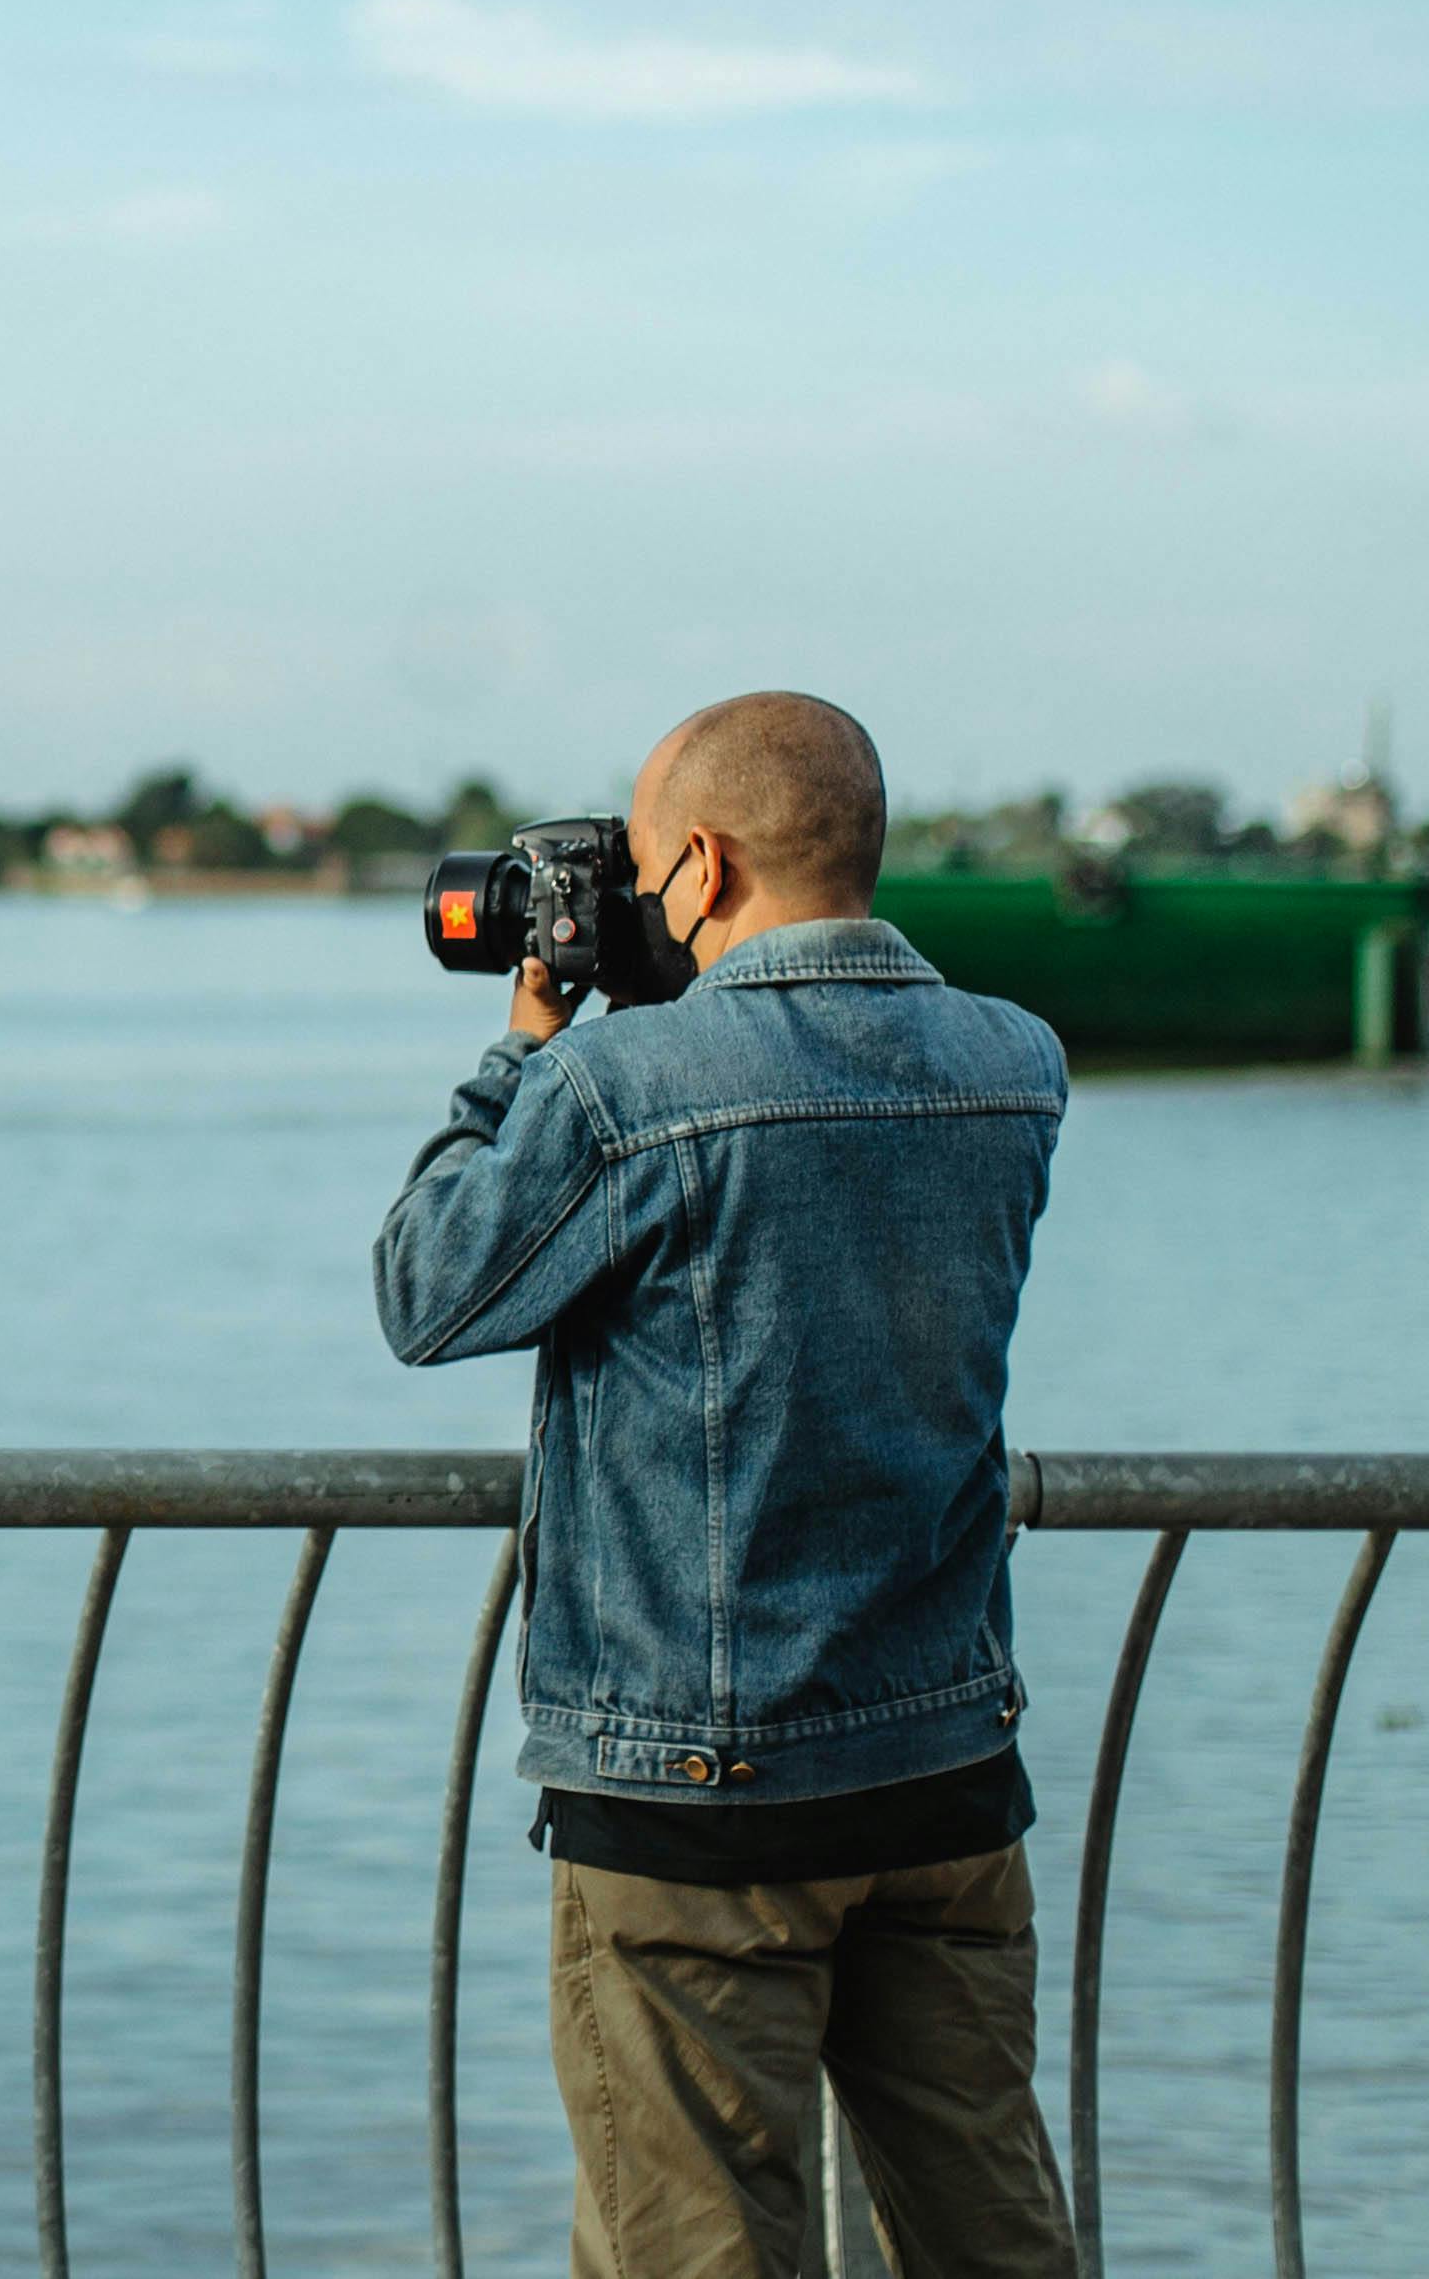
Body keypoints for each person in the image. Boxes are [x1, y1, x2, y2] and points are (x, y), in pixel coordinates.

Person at [372, 692, 1075, 2279]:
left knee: (695, 2252)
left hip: (700, 1800)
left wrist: (519, 1059)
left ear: (697, 865)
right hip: (945, 1763)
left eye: (630, 866)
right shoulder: (1014, 1066)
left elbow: (428, 1290)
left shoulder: (633, 1092)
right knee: (994, 2243)